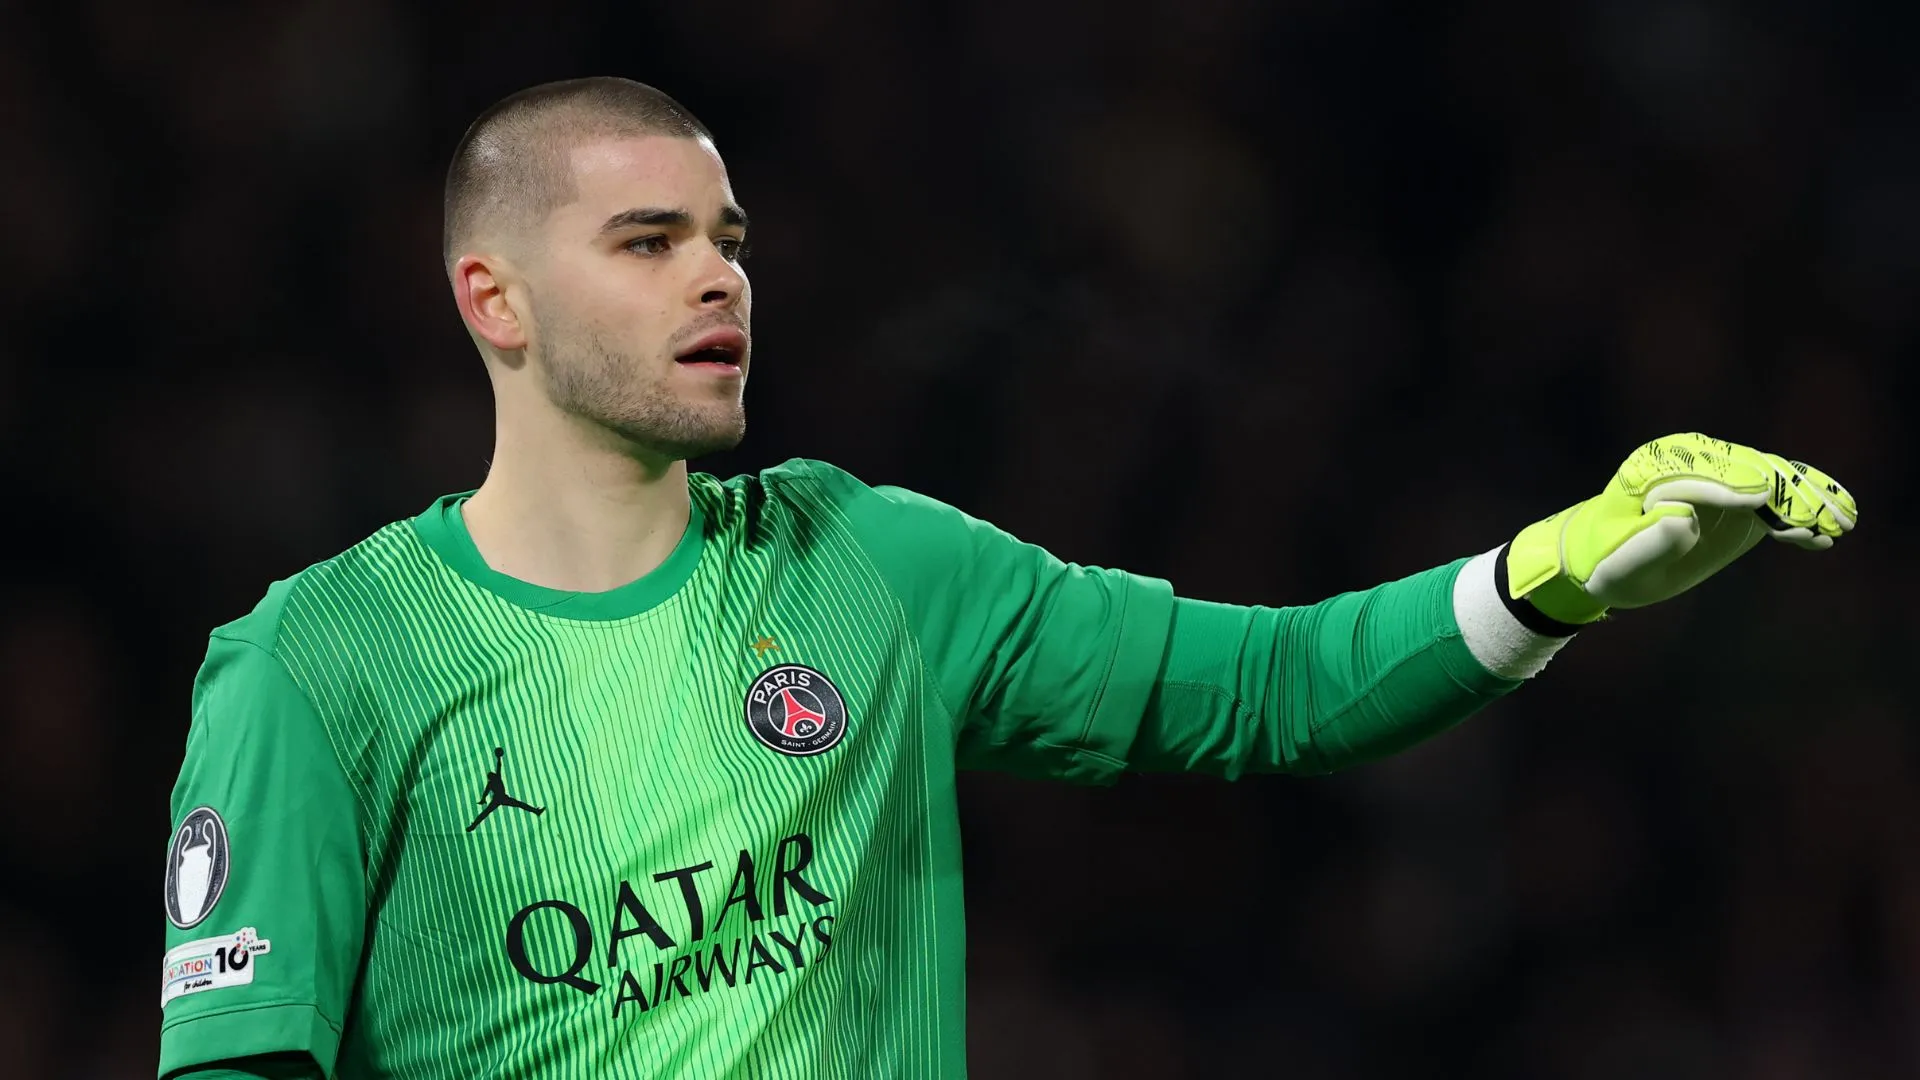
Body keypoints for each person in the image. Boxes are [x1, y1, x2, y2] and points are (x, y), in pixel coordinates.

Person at [157, 77, 1857, 1080]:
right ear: (493, 302)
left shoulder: (867, 564)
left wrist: (1549, 579)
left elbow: (1265, 690)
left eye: (729, 239)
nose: (717, 282)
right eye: (647, 243)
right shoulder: (322, 664)